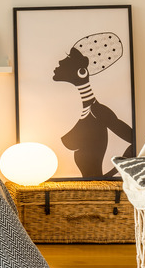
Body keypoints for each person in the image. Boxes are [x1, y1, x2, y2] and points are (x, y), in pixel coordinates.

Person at [53, 33, 134, 177]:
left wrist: (111, 175)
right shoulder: (86, 109)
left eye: (68, 58)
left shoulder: (97, 110)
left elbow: (134, 141)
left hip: (97, 192)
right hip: (87, 189)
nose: (60, 61)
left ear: (81, 72)